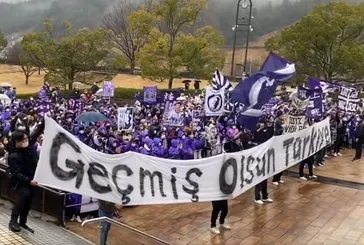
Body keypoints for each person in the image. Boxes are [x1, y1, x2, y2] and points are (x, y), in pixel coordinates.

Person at [7, 122, 44, 233]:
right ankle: (13, 221)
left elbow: (35, 134)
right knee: (23, 196)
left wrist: (44, 122)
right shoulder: (13, 156)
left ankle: (23, 222)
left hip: (32, 180)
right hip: (20, 182)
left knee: (28, 201)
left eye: (26, 139)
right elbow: (16, 173)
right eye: (22, 140)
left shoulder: (29, 147)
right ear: (16, 142)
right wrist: (29, 181)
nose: (25, 141)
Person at [272, 111, 285, 185]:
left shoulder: (280, 120)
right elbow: (283, 127)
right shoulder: (277, 120)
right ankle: (275, 179)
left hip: (281, 141)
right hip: (278, 141)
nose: (283, 116)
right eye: (282, 115)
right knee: (278, 163)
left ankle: (279, 178)